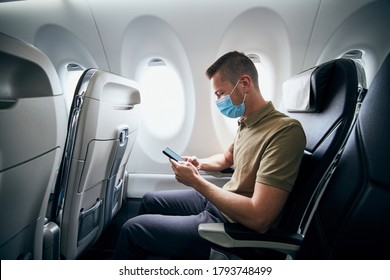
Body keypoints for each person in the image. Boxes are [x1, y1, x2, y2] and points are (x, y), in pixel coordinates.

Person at [113, 51, 306, 259]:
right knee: (150, 200)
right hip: (222, 202)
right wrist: (199, 164)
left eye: (220, 94)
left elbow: (260, 217)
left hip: (231, 225)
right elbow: (226, 159)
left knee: (132, 230)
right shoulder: (247, 121)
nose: (218, 101)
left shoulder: (284, 131)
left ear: (244, 84)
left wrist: (197, 182)